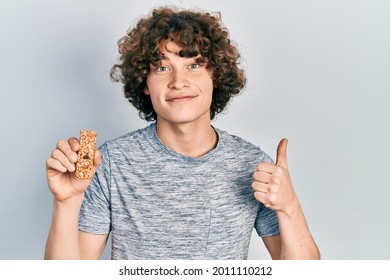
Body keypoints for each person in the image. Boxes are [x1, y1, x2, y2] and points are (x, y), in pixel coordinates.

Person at [45, 6, 320, 260]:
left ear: (216, 74)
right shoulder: (107, 163)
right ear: (145, 83)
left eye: (194, 65)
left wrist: (289, 206)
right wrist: (66, 202)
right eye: (162, 68)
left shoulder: (251, 163)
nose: (178, 82)